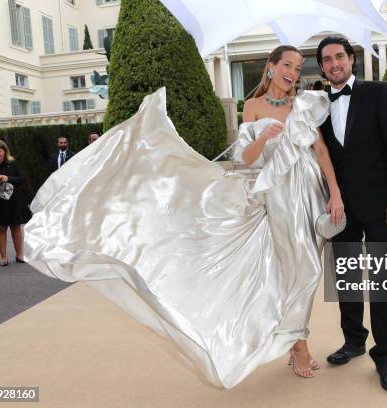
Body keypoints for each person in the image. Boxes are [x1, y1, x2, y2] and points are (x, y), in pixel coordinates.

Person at [24, 45, 342, 388]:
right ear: (271, 67)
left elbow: (320, 150)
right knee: (296, 270)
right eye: (287, 65)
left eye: (298, 67)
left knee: (306, 268)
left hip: (307, 192)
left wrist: (335, 193)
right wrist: (263, 136)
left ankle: (294, 340)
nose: (292, 73)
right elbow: (247, 159)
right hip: (276, 195)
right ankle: (297, 344)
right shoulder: (251, 106)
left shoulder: (305, 104)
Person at [317, 35, 387, 392]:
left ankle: (384, 354)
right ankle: (354, 340)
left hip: (381, 205)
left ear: (351, 59)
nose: (334, 64)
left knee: (381, 279)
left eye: (339, 56)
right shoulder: (319, 103)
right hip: (340, 206)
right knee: (347, 278)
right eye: (326, 60)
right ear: (323, 66)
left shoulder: (377, 92)